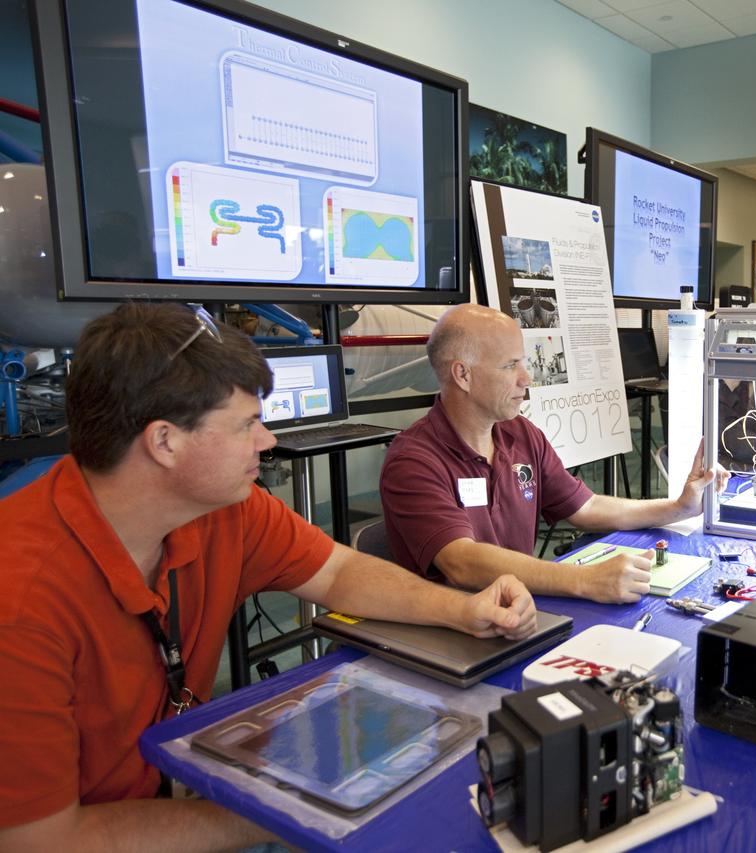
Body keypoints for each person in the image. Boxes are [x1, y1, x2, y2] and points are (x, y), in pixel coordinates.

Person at [0, 303, 538, 851]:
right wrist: (284, 807)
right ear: (164, 442)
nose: (267, 441)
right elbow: (40, 840)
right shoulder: (20, 600)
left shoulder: (225, 508)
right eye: (247, 425)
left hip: (162, 790)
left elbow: (338, 571)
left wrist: (463, 609)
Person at [381, 304, 727, 604]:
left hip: (518, 610)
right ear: (463, 374)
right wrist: (584, 580)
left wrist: (678, 507)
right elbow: (462, 562)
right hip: (454, 631)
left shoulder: (520, 435)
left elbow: (585, 507)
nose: (526, 378)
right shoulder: (413, 462)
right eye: (510, 365)